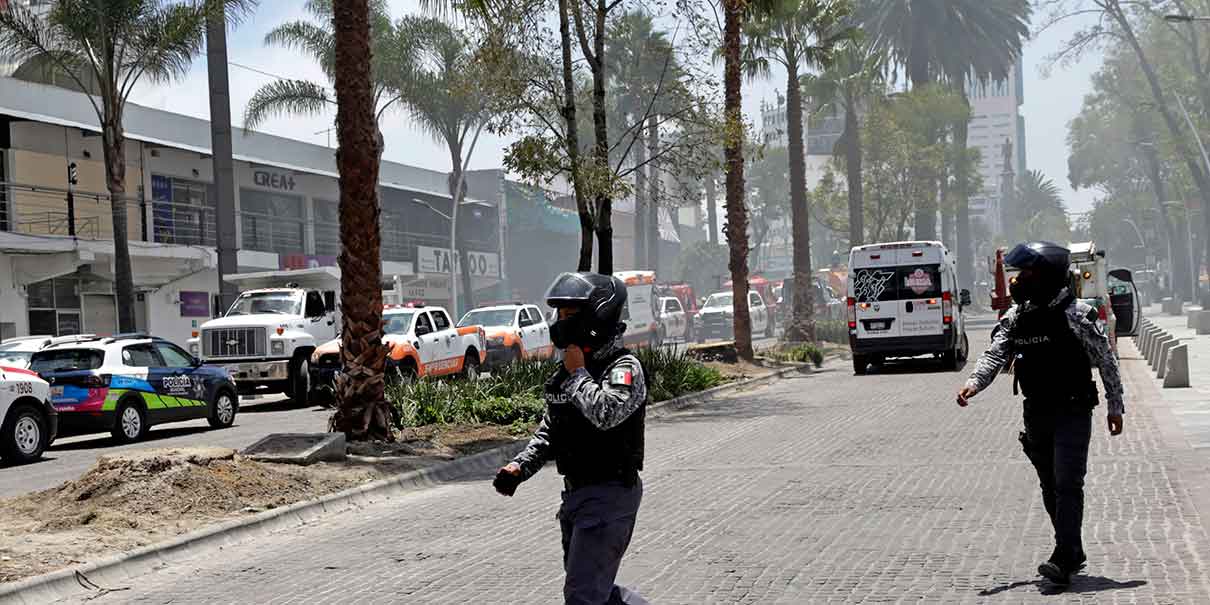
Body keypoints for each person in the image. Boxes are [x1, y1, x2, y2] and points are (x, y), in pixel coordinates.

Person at [956, 241, 1125, 587]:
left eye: (1026, 274)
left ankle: (1062, 558)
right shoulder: (1017, 317)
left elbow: (1106, 359)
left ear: (1047, 276)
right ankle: (1072, 550)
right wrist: (974, 384)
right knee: (1050, 485)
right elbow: (994, 354)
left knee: (1067, 482)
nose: (1018, 281)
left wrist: (1115, 404)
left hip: (1074, 409)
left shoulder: (1077, 313)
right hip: (1036, 412)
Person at [493, 272, 649, 605]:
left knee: (583, 594)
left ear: (598, 314)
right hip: (577, 497)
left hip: (610, 495)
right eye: (559, 315)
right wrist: (520, 467)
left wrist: (578, 374)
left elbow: (608, 413)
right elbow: (553, 427)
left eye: (569, 315)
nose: (561, 323)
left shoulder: (623, 368)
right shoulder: (568, 371)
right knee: (594, 589)